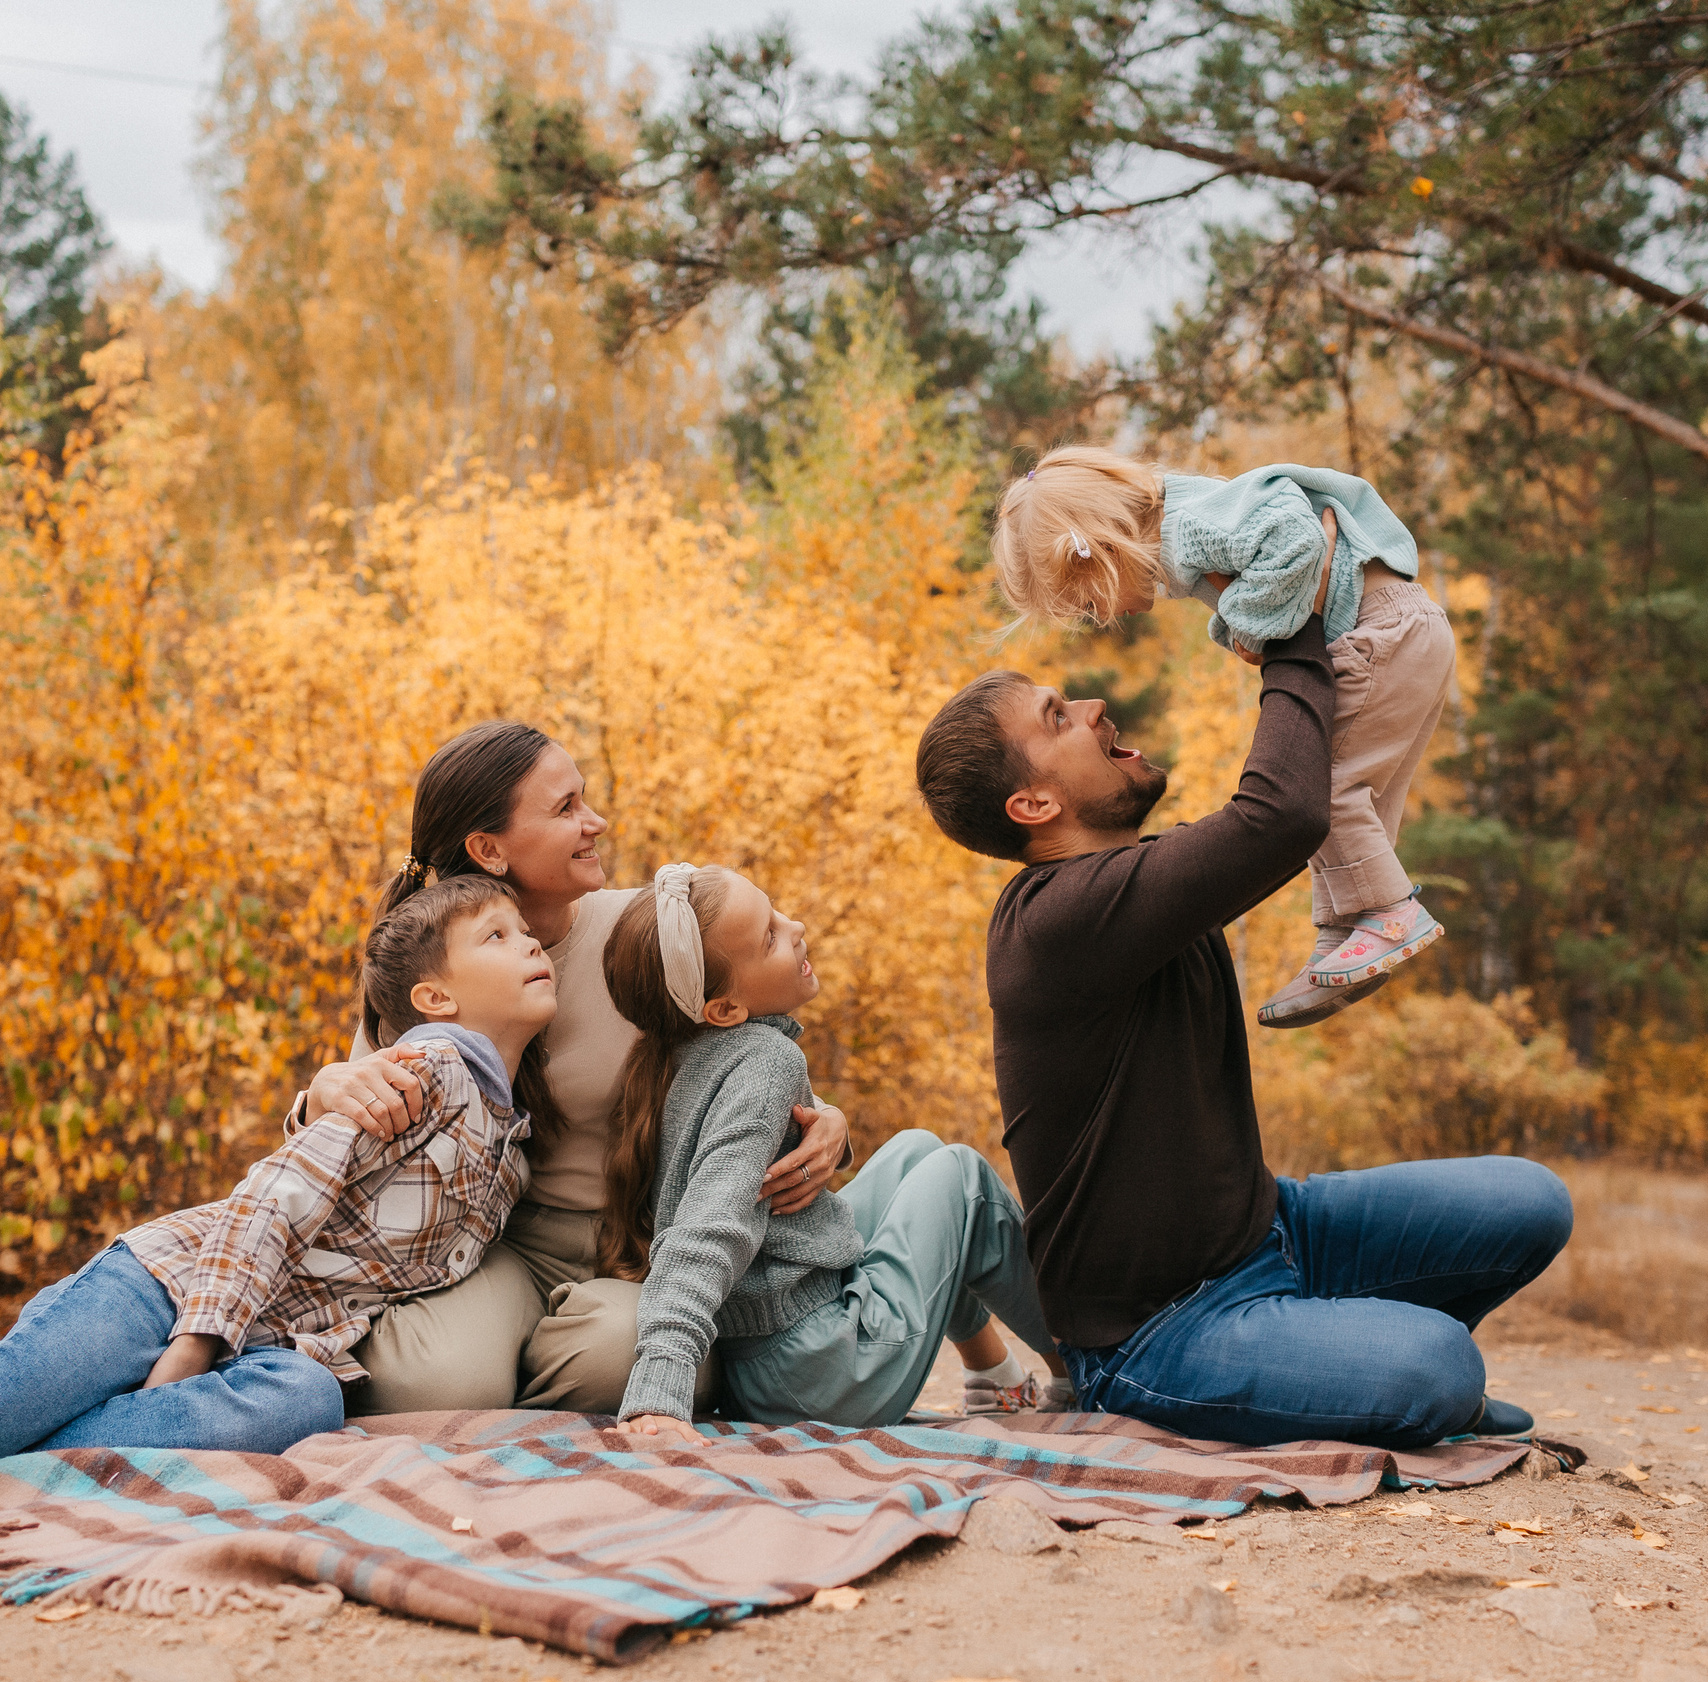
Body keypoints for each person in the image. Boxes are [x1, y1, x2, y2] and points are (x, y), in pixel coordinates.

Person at [912, 551, 1573, 1450]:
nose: (1095, 707)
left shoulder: (1131, 883)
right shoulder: (1051, 921)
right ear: (1031, 801)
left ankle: (1346, 1364)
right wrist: (1288, 610)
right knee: (1438, 1367)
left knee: (1531, 1201)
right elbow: (1281, 815)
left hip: (1275, 1230)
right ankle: (1370, 1375)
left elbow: (1278, 812)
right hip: (1159, 1330)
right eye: (1059, 717)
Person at [286, 722, 849, 1416]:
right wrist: (320, 1096)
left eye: (585, 800)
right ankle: (495, 1372)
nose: (596, 822)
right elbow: (352, 1116)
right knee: (437, 1386)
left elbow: (750, 1052)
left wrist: (827, 1124)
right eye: (565, 809)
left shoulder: (642, 935)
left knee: (630, 1354)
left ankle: (528, 1386)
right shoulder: (438, 964)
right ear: (488, 849)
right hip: (494, 1249)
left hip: (636, 1244)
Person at [0, 876, 549, 1455]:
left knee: (311, 1400)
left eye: (528, 932)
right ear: (435, 999)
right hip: (171, 1286)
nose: (531, 944)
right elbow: (276, 1192)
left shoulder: (509, 1154)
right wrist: (196, 1341)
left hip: (272, 1350)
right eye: (497, 935)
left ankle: (41, 1463)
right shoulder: (419, 1074)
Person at [990, 446, 1458, 1028]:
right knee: (1357, 794)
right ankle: (1345, 925)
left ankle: (1387, 912)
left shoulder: (1185, 528)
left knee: (1324, 785)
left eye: (1088, 602)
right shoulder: (1192, 513)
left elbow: (1296, 540)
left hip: (1380, 631)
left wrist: (1250, 622)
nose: (1102, 617)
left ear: (1101, 552)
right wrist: (1246, 621)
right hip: (1406, 629)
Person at [604, 864, 1071, 1443]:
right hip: (827, 1376)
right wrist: (661, 1391)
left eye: (777, 913)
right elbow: (709, 1226)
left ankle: (994, 1380)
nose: (795, 926)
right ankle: (1084, 1369)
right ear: (723, 1008)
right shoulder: (766, 1060)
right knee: (962, 1178)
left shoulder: (673, 1058)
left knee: (915, 1151)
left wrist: (826, 1123)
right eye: (768, 937)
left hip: (768, 1370)